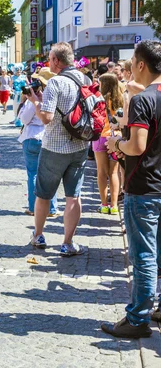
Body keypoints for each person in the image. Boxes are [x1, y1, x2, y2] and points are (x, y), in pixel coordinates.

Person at [102, 40, 161, 339]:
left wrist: (116, 144)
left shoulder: (143, 100)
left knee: (144, 257)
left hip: (145, 186)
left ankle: (138, 319)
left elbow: (136, 145)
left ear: (140, 64)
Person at [28, 42, 91, 256]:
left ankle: (38, 235)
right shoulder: (86, 80)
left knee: (44, 194)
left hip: (54, 147)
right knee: (73, 196)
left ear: (56, 60)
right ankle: (67, 243)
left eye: (50, 58)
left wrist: (36, 101)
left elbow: (46, 118)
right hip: (81, 144)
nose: (48, 62)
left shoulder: (55, 83)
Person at [17, 68, 59, 217]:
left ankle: (34, 208)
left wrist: (29, 102)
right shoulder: (53, 97)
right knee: (49, 175)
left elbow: (24, 119)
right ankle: (52, 208)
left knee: (33, 174)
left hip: (32, 137)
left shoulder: (34, 99)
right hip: (48, 138)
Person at [92, 73, 123, 215]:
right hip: (115, 138)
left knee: (101, 172)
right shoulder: (120, 100)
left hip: (100, 137)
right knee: (114, 173)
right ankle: (114, 205)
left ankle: (104, 204)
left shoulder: (99, 99)